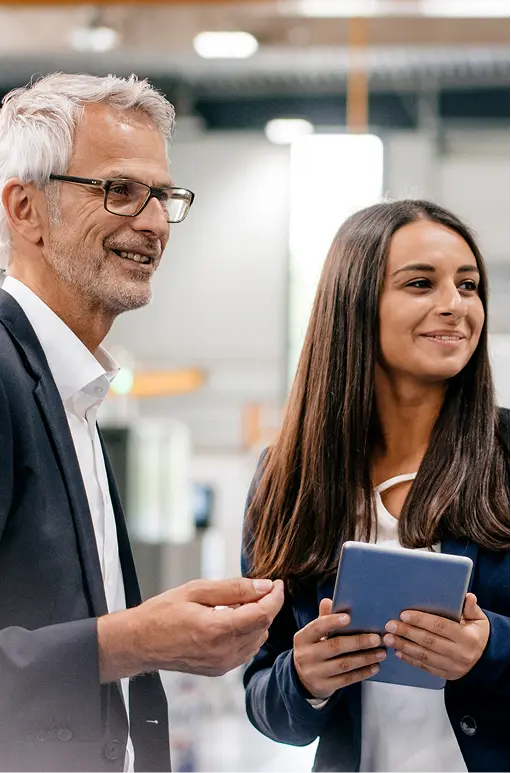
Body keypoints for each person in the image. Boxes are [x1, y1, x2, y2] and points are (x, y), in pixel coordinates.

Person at [0, 73, 284, 773]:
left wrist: (150, 628)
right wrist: (135, 639)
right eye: (120, 190)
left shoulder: (70, 389)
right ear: (26, 209)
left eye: (163, 196)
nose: (154, 221)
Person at [242, 200, 510, 773]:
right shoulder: (286, 479)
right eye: (421, 283)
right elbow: (263, 693)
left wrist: (491, 650)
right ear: (355, 304)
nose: (455, 307)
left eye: (468, 286)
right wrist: (304, 677)